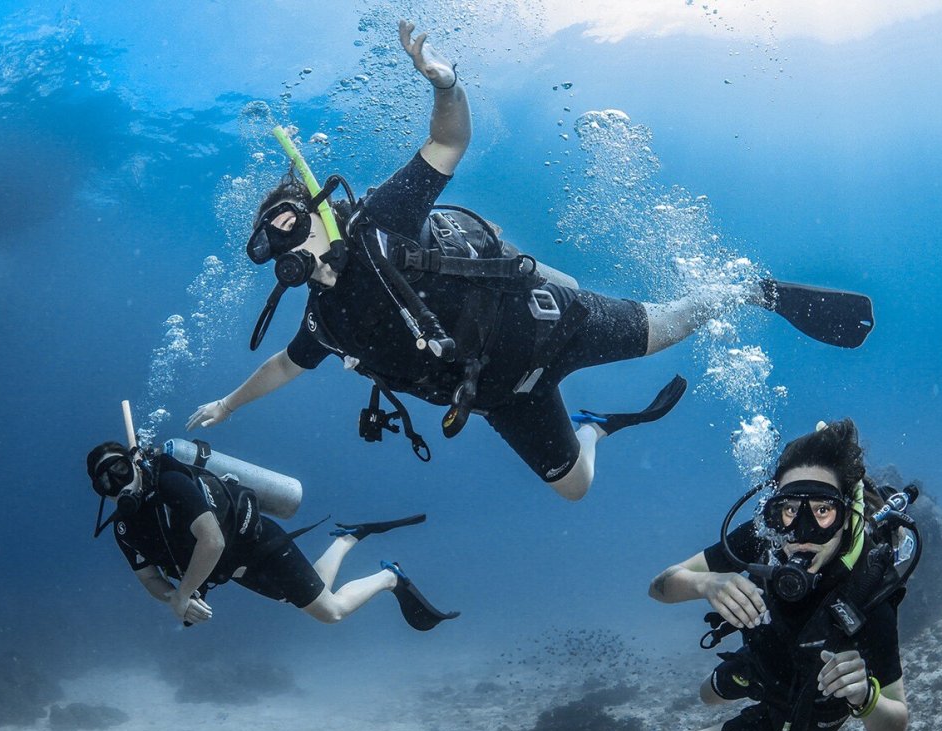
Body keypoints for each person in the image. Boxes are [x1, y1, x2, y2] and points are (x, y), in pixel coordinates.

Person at [188, 19, 874, 502]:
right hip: (502, 396)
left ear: (320, 207)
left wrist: (445, 85)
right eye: (269, 243)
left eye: (289, 221)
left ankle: (747, 292)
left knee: (666, 328)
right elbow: (283, 365)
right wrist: (227, 402)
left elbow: (449, 143)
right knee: (575, 489)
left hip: (554, 322)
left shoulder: (383, 222)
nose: (286, 244)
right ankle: (596, 426)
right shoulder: (326, 319)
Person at [648, 419, 916, 731]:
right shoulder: (765, 537)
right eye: (789, 510)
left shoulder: (867, 586)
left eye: (822, 511)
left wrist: (865, 696)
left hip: (807, 704)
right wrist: (705, 584)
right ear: (774, 511)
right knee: (707, 694)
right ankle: (740, 675)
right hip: (759, 659)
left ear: (845, 515)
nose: (801, 535)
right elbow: (660, 586)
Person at [86, 440, 459, 631]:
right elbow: (148, 577)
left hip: (258, 543)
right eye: (104, 481)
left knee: (330, 613)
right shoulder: (125, 525)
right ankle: (348, 537)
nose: (116, 484)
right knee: (307, 595)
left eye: (119, 470)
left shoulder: (170, 482)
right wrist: (172, 598)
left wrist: (184, 593)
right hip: (234, 568)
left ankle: (390, 576)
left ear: (135, 462)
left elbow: (212, 541)